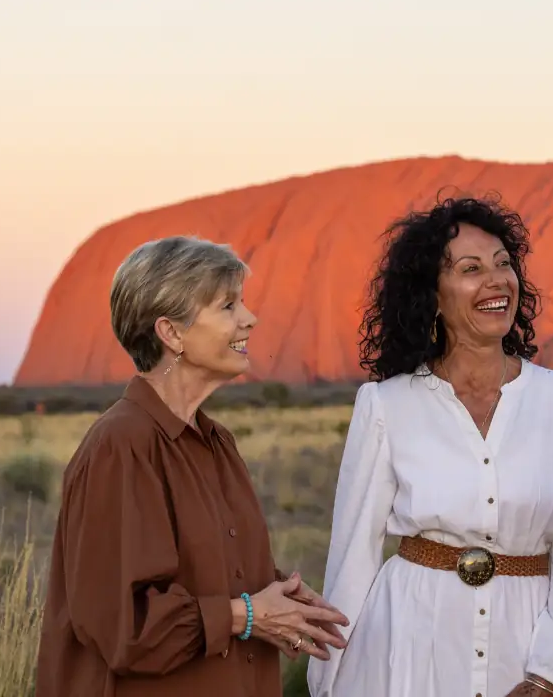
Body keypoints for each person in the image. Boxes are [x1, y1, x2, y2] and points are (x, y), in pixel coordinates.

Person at [309, 196, 553, 697]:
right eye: (471, 269)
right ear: (433, 295)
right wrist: (327, 680)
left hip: (521, 648)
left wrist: (551, 676)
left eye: (503, 265)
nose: (496, 281)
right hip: (407, 645)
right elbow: (352, 556)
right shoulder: (386, 404)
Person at [36, 236, 350, 697]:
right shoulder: (121, 446)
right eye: (228, 306)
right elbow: (123, 626)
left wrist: (284, 598)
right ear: (171, 333)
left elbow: (219, 576)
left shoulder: (217, 443)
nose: (250, 318)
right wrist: (248, 615)